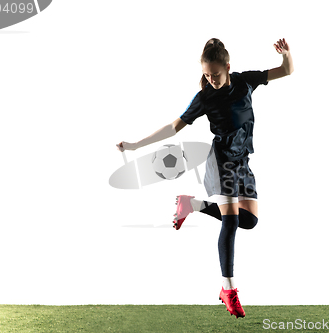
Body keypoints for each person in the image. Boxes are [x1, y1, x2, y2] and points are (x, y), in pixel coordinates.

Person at [117, 38, 294, 318]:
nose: (211, 80)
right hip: (221, 160)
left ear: (228, 67)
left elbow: (286, 71)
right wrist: (136, 145)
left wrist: (287, 55)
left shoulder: (245, 82)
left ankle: (192, 205)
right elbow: (173, 128)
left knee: (249, 221)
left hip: (243, 161)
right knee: (232, 221)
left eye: (216, 74)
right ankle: (229, 289)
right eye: (207, 75)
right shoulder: (205, 98)